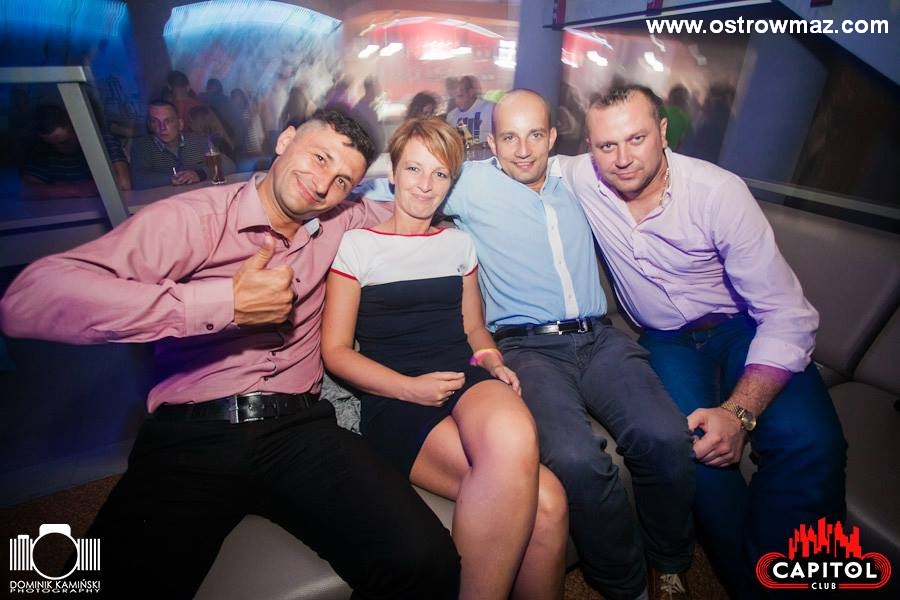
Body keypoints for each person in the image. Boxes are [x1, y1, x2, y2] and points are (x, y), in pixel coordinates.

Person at [0, 110, 460, 600]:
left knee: (425, 560)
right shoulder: (193, 220)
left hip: (300, 429)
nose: (323, 183)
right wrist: (222, 303)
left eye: (342, 179)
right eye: (319, 157)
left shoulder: (340, 219)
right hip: (192, 432)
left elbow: (417, 201)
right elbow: (27, 301)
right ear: (285, 140)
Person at [361, 89, 696, 600]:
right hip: (527, 349)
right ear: (491, 143)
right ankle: (626, 586)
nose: (522, 150)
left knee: (666, 435)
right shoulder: (469, 185)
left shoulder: (584, 179)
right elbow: (409, 188)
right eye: (510, 137)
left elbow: (643, 170)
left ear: (553, 137)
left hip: (600, 338)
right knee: (574, 459)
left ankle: (670, 561)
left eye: (535, 135)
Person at [561, 84, 847, 598]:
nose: (622, 158)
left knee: (810, 441)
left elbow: (785, 313)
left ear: (663, 131)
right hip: (666, 340)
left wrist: (739, 413)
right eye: (606, 145)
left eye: (636, 138)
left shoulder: (718, 193)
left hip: (745, 327)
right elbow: (514, 157)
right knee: (694, 447)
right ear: (590, 148)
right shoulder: (582, 177)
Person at [322, 118, 568, 600]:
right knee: (549, 503)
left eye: (439, 174)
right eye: (414, 169)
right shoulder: (358, 246)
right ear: (393, 173)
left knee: (518, 435)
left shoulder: (458, 243)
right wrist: (408, 388)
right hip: (394, 397)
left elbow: (474, 329)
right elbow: (335, 352)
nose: (425, 184)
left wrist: (492, 360)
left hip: (463, 375)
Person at [22, 103, 131, 198]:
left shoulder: (101, 141)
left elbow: (123, 183)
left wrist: (57, 189)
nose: (59, 148)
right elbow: (27, 190)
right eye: (52, 144)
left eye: (64, 142)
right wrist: (76, 190)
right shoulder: (45, 152)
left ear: (75, 128)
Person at [130, 100, 235, 189]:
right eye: (155, 121)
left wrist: (199, 174)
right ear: (149, 126)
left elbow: (229, 165)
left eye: (168, 121)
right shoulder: (142, 146)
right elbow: (138, 180)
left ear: (180, 124)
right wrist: (173, 178)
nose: (162, 127)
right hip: (166, 203)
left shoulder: (198, 140)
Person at [445, 75, 495, 143]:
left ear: (471, 92)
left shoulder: (490, 108)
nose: (456, 101)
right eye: (454, 98)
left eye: (460, 96)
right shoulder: (451, 116)